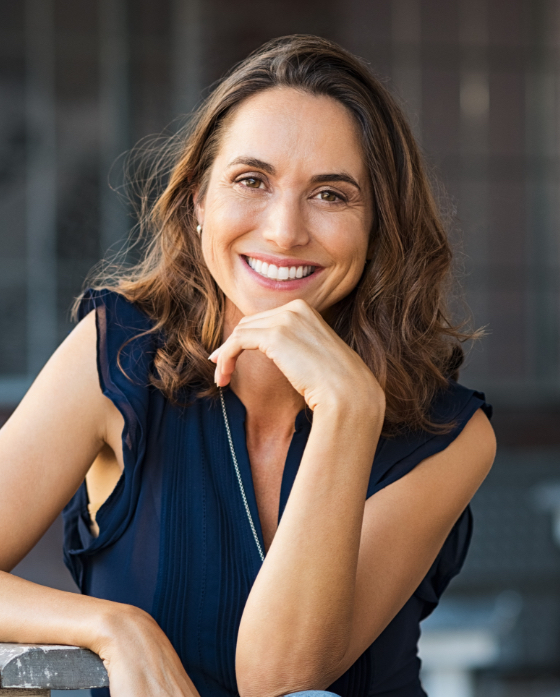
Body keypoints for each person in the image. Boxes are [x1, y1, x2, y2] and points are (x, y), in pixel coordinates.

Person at [0, 35, 496, 697]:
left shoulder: (452, 432)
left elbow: (279, 678)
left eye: (331, 194)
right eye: (251, 180)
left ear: (379, 224)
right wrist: (112, 625)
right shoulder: (116, 352)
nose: (285, 230)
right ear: (199, 201)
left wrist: (348, 411)